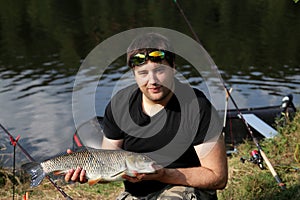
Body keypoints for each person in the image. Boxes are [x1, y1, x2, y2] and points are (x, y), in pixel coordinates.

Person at [65, 32, 228, 200]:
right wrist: (89, 172)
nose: (152, 81)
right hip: (138, 194)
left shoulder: (197, 106)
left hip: (186, 189)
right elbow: (109, 165)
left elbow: (218, 177)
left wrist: (163, 174)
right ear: (134, 73)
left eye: (159, 70)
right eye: (143, 73)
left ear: (173, 67)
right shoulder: (119, 105)